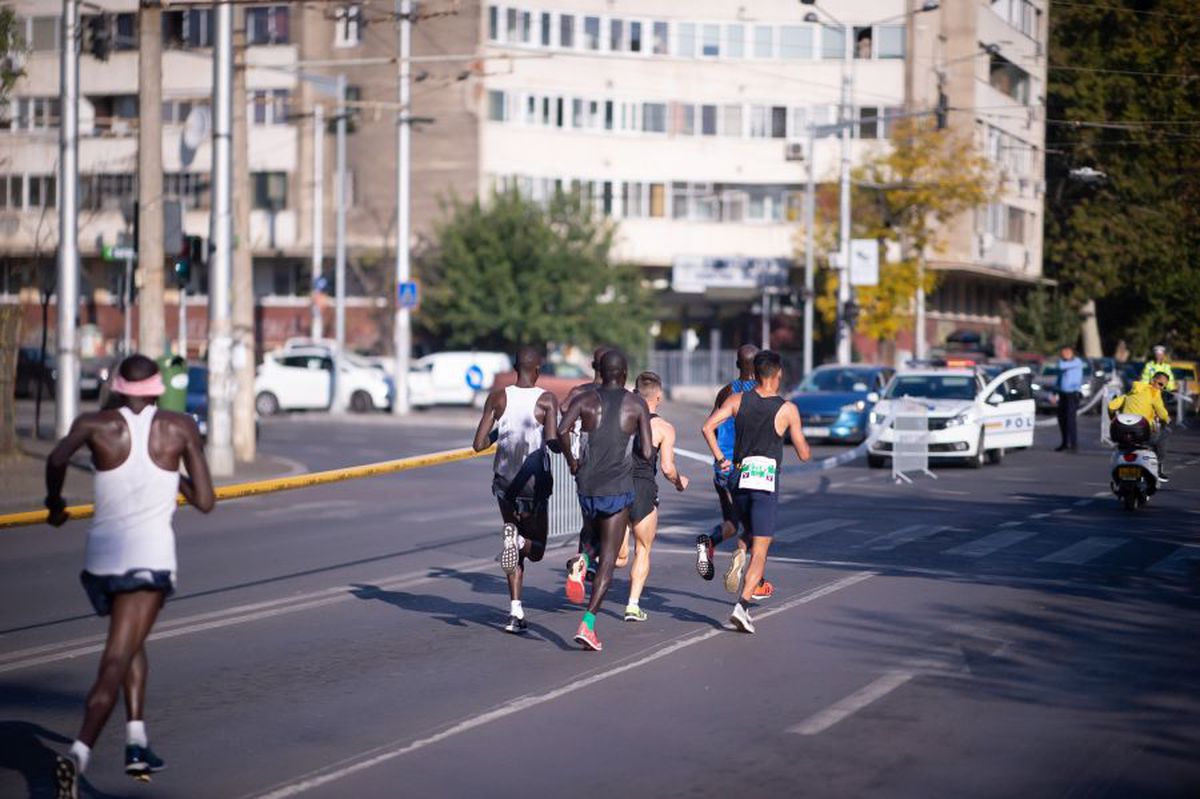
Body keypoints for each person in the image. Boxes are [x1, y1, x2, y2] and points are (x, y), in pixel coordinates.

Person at [45, 354, 215, 796]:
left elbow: (57, 457)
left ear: (119, 388)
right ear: (158, 389)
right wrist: (173, 475)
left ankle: (137, 741)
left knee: (130, 640)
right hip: (149, 559)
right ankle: (77, 754)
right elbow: (206, 501)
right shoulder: (179, 427)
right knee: (117, 656)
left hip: (101, 560)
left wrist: (55, 504)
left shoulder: (94, 423)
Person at [701, 351, 810, 634]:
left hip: (739, 479)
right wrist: (792, 432)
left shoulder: (737, 399)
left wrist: (719, 457)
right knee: (760, 551)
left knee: (745, 535)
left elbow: (707, 426)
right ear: (778, 374)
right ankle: (743, 606)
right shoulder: (787, 409)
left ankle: (739, 565)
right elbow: (804, 453)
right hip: (764, 485)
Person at [557, 350, 653, 651]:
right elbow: (648, 451)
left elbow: (561, 430)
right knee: (609, 560)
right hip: (618, 487)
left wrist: (573, 462)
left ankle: (582, 560)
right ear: (624, 374)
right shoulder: (635, 403)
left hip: (586, 484)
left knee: (591, 534)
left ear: (602, 371)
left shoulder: (584, 399)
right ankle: (588, 624)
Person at [472, 346, 560, 633]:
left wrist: (502, 433)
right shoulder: (546, 400)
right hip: (534, 484)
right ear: (537, 371)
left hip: (504, 484)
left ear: (514, 368)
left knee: (512, 543)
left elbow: (479, 444)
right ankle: (520, 542)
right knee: (536, 551)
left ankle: (515, 612)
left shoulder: (498, 397)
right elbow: (552, 441)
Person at [695, 345, 775, 600]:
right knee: (756, 526)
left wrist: (720, 457)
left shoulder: (726, 392)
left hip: (722, 467)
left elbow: (711, 426)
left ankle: (709, 542)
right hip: (747, 467)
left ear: (737, 363)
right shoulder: (762, 394)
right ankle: (752, 576)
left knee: (733, 522)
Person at [621, 372, 688, 622]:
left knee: (617, 557)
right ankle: (632, 605)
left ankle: (587, 560)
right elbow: (668, 468)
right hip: (644, 489)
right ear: (658, 397)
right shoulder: (664, 428)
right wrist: (680, 482)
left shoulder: (622, 420)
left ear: (635, 394)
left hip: (617, 485)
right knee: (642, 549)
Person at [560, 345, 611, 603]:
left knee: (590, 521)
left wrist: (571, 459)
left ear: (593, 366)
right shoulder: (620, 395)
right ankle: (586, 563)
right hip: (613, 469)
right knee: (610, 525)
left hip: (584, 467)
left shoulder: (579, 394)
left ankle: (585, 563)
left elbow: (562, 416)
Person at [1108, 369, 1172, 482]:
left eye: (1164, 387)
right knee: (1166, 433)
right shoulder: (1154, 393)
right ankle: (1159, 467)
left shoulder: (1130, 393)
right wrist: (1167, 419)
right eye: (1160, 384)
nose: (1161, 388)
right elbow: (1162, 413)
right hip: (1142, 434)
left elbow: (1111, 406)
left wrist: (1112, 419)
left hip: (1122, 434)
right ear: (1153, 381)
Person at [1055, 345, 1086, 452]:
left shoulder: (1077, 362)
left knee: (1070, 420)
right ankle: (1064, 443)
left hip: (1072, 394)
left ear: (1072, 353)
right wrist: (1054, 393)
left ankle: (1074, 444)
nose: (1065, 354)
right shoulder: (1063, 363)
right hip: (1063, 394)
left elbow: (1061, 366)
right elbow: (1059, 379)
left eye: (1067, 352)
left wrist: (1061, 362)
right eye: (1063, 353)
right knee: (1062, 419)